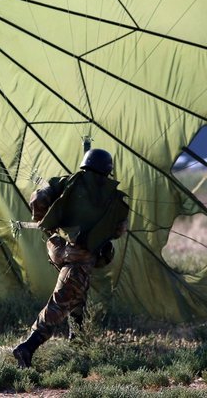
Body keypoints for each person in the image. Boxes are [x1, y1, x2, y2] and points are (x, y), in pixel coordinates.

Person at [12, 148, 128, 369]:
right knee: (62, 301)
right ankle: (27, 347)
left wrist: (48, 226)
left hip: (57, 247)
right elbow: (117, 230)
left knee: (77, 294)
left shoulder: (68, 182)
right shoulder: (109, 196)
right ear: (107, 170)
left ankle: (78, 344)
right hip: (80, 254)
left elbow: (38, 198)